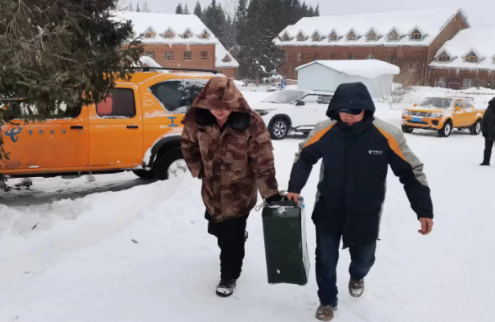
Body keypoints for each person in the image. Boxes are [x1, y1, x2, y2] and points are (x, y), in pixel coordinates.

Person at [285, 82, 434, 321]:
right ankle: (327, 301)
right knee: (325, 258)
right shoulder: (326, 129)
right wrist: (294, 187)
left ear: (366, 108)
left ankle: (357, 275)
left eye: (354, 112)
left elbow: (411, 172)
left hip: (366, 212)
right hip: (328, 208)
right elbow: (305, 157)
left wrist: (423, 210)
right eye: (343, 112)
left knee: (364, 259)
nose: (348, 116)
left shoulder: (386, 134)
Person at [181, 76, 281, 298]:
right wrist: (198, 168)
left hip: (239, 193)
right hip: (211, 192)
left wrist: (270, 193)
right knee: (216, 228)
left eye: (225, 107)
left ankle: (229, 276)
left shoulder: (251, 122)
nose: (219, 111)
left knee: (231, 240)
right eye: (215, 106)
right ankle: (232, 242)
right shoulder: (199, 119)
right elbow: (187, 144)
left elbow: (263, 160)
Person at [480, 97, 495, 167]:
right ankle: (486, 162)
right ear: (494, 103)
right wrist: (484, 132)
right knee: (487, 149)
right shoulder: (489, 111)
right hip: (489, 133)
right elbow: (484, 122)